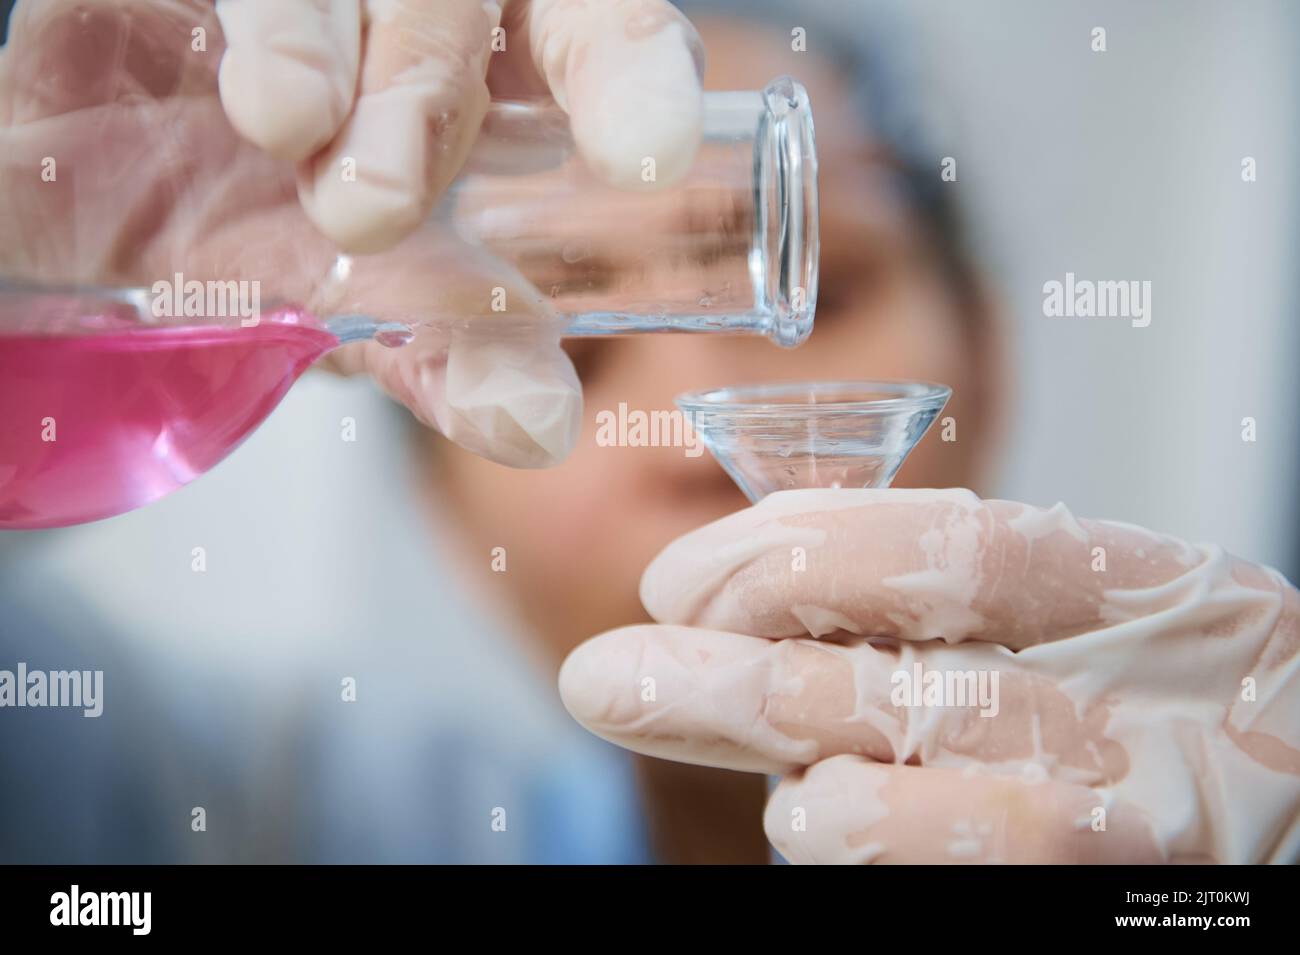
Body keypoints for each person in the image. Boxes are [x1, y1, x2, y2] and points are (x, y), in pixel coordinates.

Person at [0, 0, 1295, 864]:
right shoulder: (244, 818)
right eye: (576, 349)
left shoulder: (1231, 815)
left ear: (990, 360)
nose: (694, 433)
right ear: (445, 495)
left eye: (820, 299)